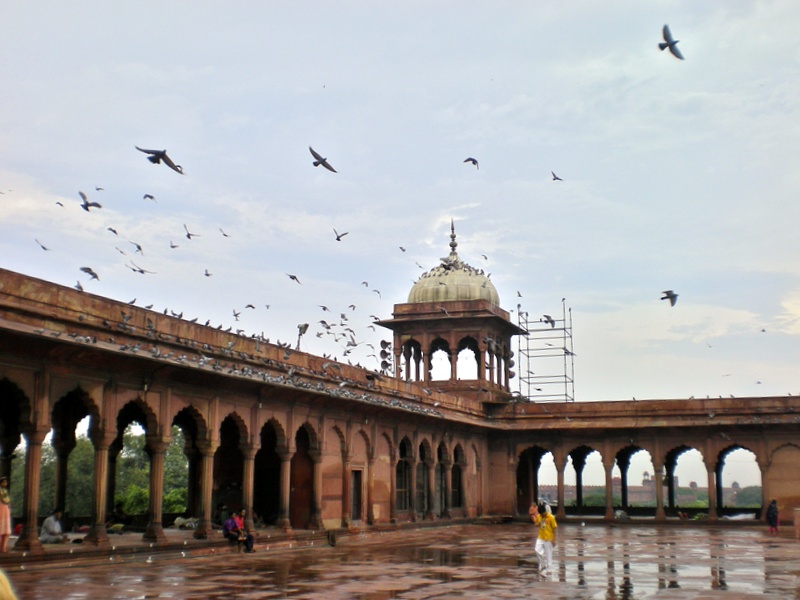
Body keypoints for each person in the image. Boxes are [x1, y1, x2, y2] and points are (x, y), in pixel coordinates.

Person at [529, 501, 557, 575]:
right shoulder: (540, 516)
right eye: (541, 514)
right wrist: (534, 519)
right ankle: (543, 565)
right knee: (537, 550)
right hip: (541, 536)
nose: (542, 515)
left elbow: (554, 528)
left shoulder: (551, 517)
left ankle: (549, 570)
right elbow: (537, 524)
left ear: (545, 511)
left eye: (543, 514)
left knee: (548, 554)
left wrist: (553, 539)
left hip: (548, 537)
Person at [0, 477, 10, 553]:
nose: (5, 484)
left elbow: (6, 500)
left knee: (6, 530)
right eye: (3, 482)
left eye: (5, 482)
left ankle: (3, 547)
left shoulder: (5, 491)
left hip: (5, 509)